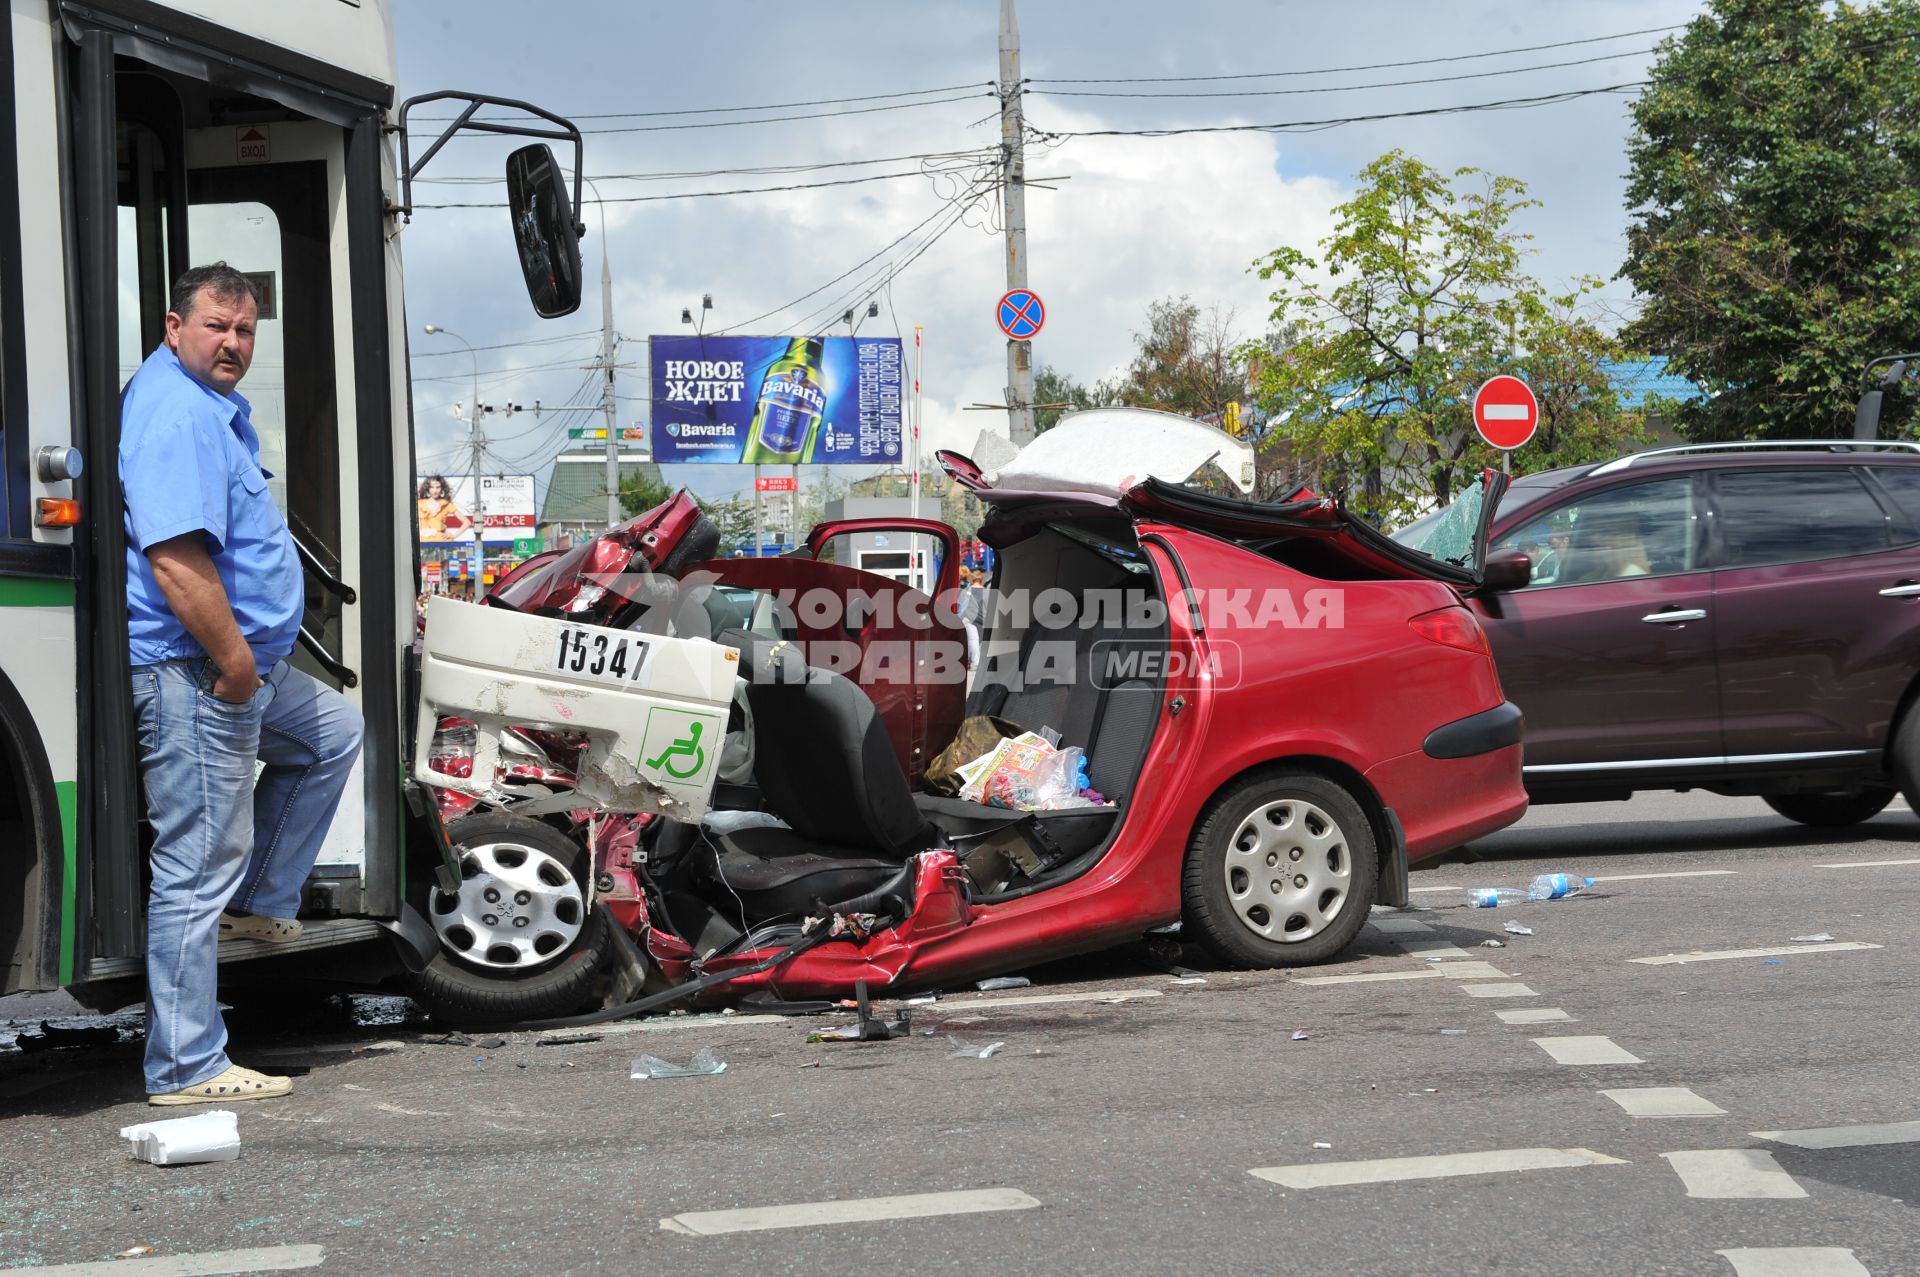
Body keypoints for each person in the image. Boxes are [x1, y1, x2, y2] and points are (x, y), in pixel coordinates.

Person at [121, 263, 365, 1106]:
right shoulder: (177, 415)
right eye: (217, 326)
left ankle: (257, 901)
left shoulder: (205, 406)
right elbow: (176, 560)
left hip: (238, 665)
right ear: (173, 325)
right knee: (193, 864)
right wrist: (233, 664)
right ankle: (186, 1066)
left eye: (245, 330)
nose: (232, 343)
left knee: (332, 732)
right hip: (196, 668)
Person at [416, 475, 471, 543]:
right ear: (428, 489)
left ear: (442, 489)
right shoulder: (419, 503)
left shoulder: (447, 505)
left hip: (441, 542)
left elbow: (467, 522)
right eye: (432, 487)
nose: (435, 490)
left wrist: (453, 536)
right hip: (423, 542)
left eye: (438, 487)